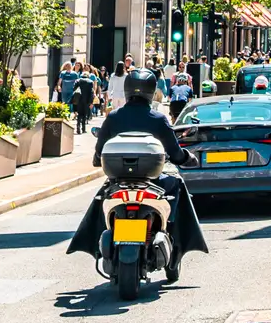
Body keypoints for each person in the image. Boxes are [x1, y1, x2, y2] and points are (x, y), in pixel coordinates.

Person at [67, 68, 208, 280]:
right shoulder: (159, 119)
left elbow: (99, 150)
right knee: (177, 186)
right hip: (153, 181)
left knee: (99, 200)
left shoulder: (113, 117)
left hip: (119, 181)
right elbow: (175, 153)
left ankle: (94, 244)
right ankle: (176, 247)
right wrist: (187, 158)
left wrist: (98, 160)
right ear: (151, 91)